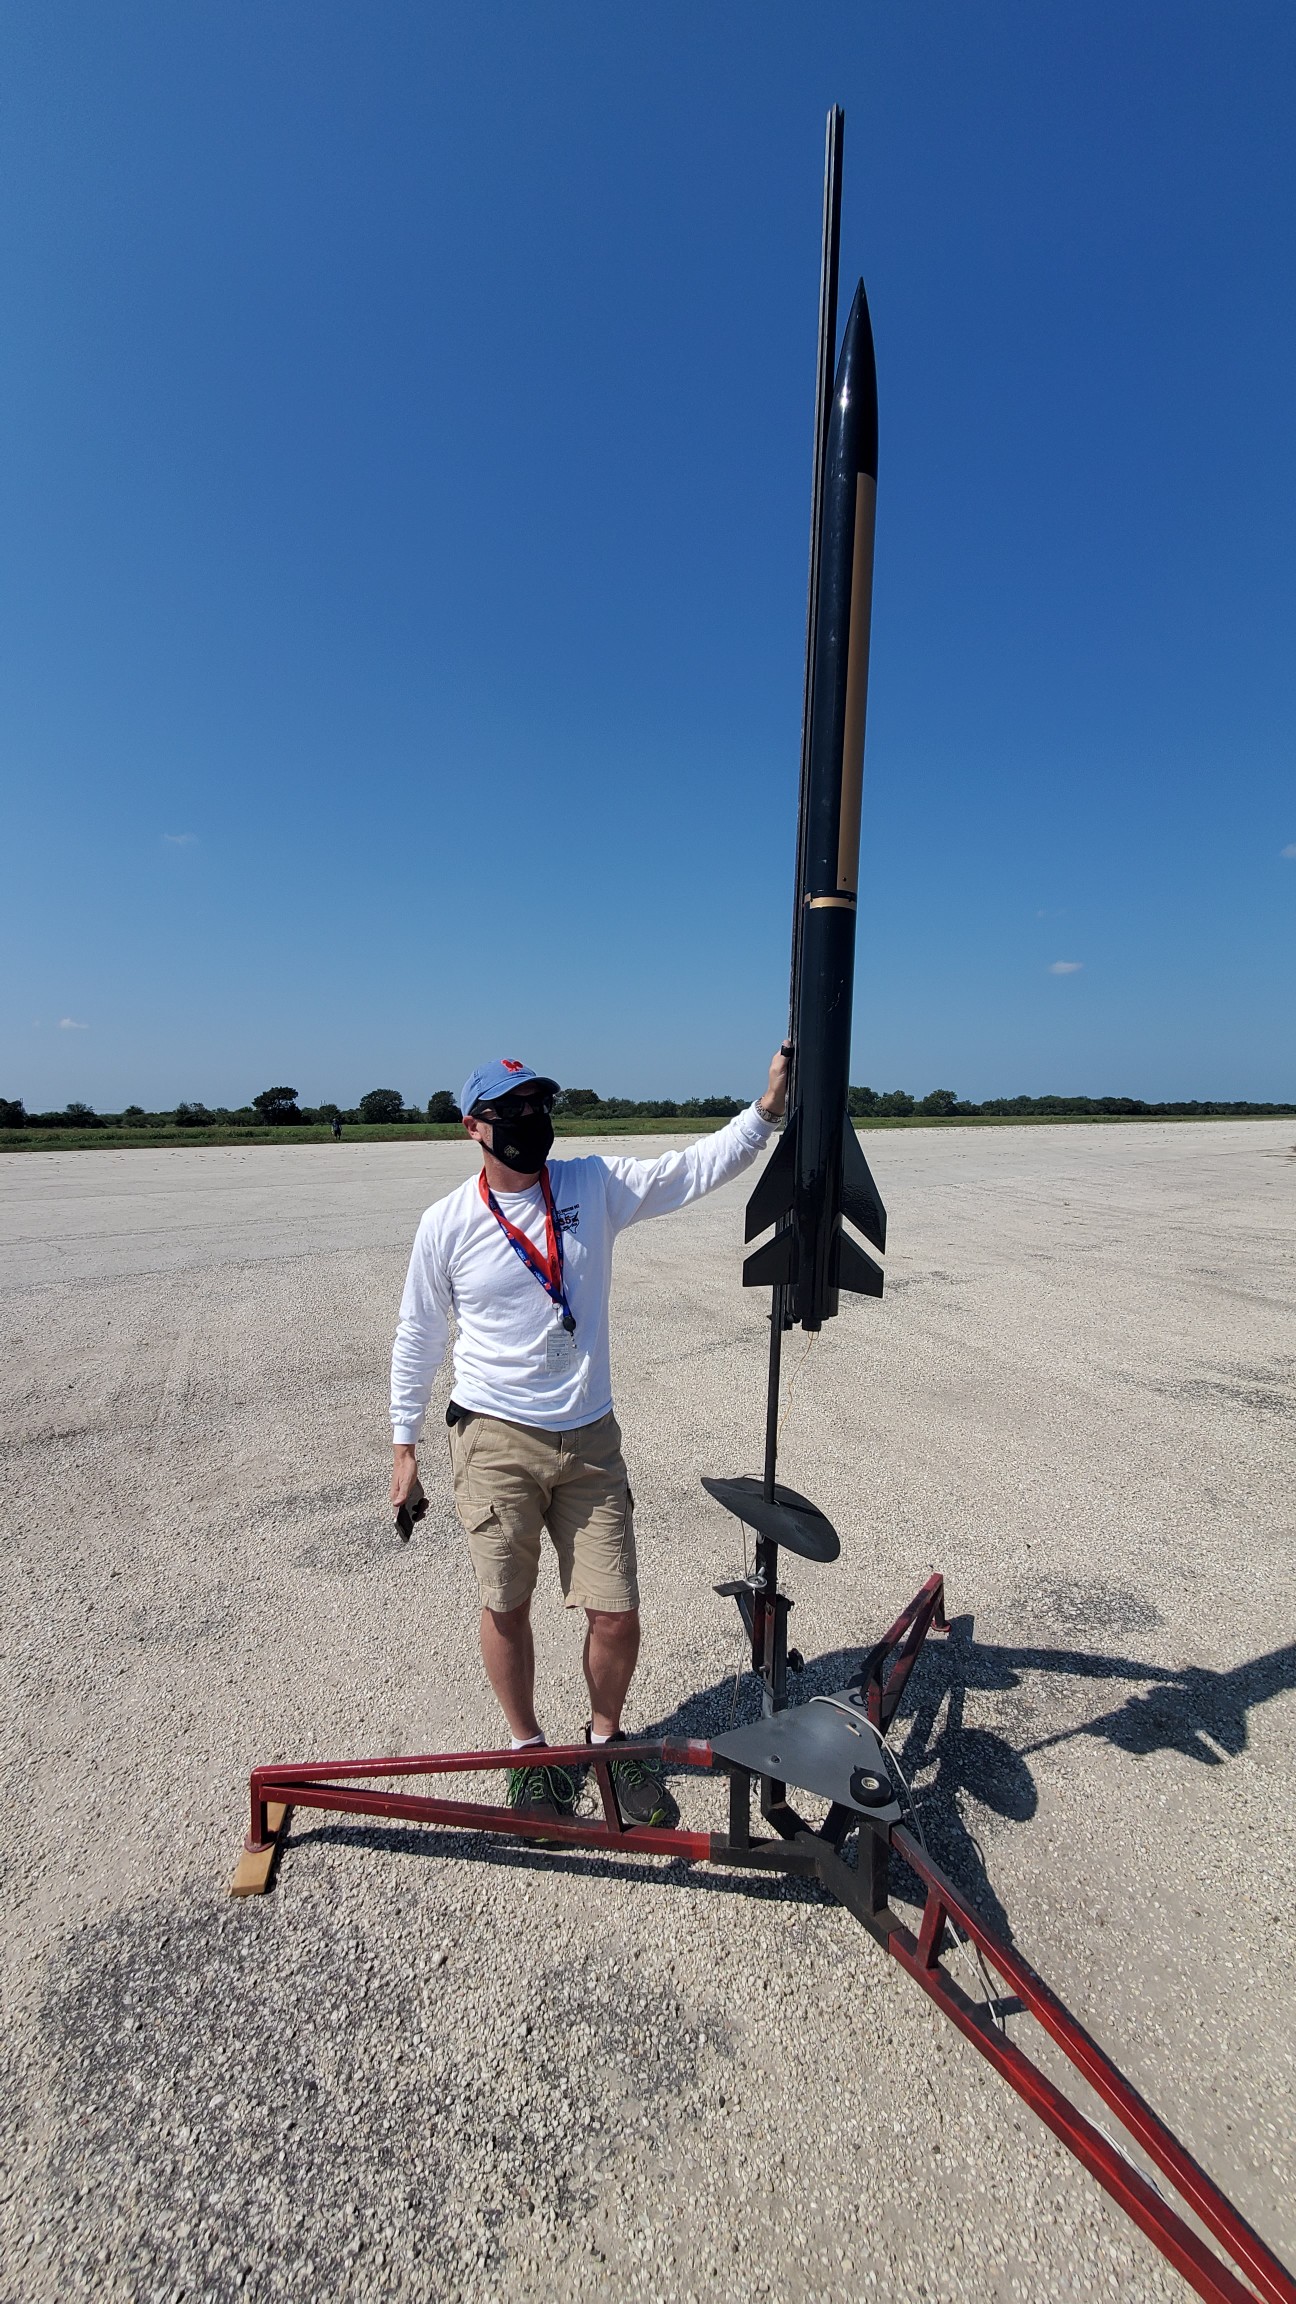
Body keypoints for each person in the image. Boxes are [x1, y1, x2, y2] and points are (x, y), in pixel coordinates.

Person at [389, 1045, 790, 1828]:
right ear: (473, 1127)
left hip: (590, 1440)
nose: (531, 1120)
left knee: (616, 1612)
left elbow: (690, 1170)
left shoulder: (590, 1185)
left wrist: (766, 1112)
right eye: (511, 1111)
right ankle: (529, 1753)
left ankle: (606, 1741)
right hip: (494, 1437)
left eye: (539, 1105)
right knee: (507, 1606)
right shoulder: (446, 1224)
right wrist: (405, 1450)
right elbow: (417, 1336)